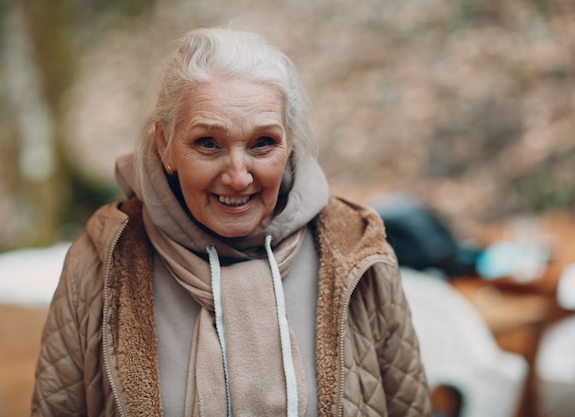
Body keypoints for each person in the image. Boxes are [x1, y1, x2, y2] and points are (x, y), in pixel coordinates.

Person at [31, 27, 432, 417]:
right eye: (208, 143)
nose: (238, 177)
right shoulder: (101, 264)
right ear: (164, 144)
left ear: (289, 143)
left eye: (263, 143)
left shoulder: (358, 252)